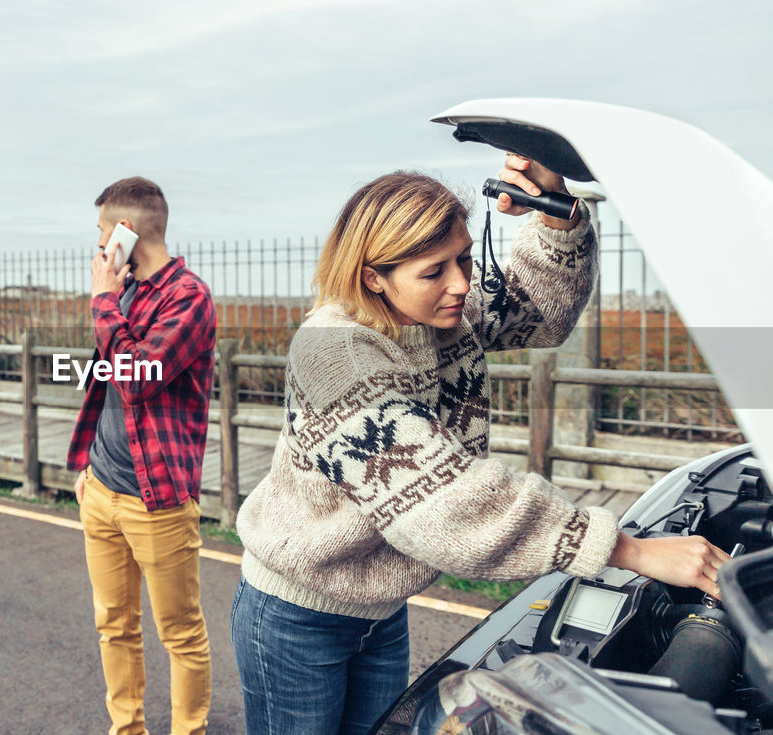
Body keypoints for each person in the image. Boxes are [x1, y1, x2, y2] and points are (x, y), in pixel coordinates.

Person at [230, 156, 729, 735]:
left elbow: (537, 313)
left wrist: (557, 216)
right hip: (297, 613)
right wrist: (633, 551)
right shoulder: (334, 352)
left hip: (380, 607)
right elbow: (441, 503)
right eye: (434, 270)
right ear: (373, 276)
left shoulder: (435, 311)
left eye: (465, 258)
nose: (461, 283)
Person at [68, 176, 216, 735]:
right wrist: (88, 464)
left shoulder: (189, 298)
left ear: (126, 230)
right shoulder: (125, 290)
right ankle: (126, 730)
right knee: (113, 626)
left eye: (103, 232)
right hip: (102, 492)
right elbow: (105, 380)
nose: (100, 245)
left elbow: (136, 378)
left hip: (155, 499)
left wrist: (104, 299)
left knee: (179, 633)